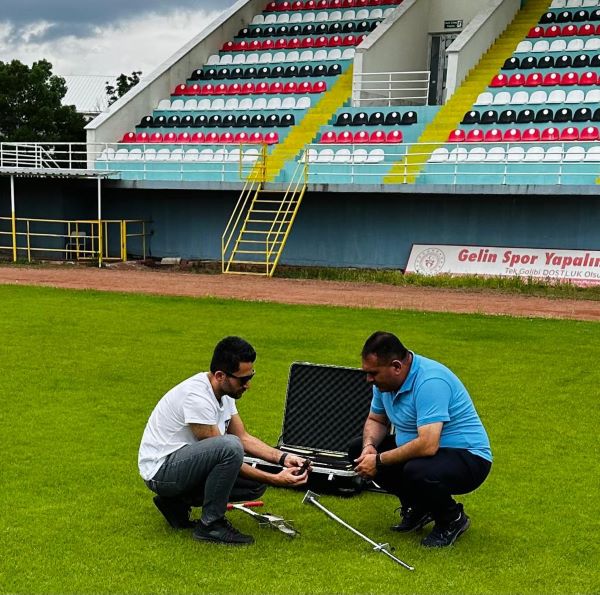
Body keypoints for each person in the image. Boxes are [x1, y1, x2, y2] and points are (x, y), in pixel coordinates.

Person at [138, 336, 308, 545]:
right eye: (243, 379)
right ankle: (211, 525)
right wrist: (276, 479)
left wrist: (283, 458)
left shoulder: (224, 392)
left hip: (182, 466)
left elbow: (243, 437)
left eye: (251, 376)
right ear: (220, 375)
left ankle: (175, 503)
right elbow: (228, 450)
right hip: (161, 472)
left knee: (253, 485)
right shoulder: (197, 397)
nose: (248, 385)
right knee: (230, 447)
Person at [351, 331, 492, 548]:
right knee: (355, 450)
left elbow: (428, 444)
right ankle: (419, 507)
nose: (368, 379)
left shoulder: (430, 381)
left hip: (469, 458)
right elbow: (376, 420)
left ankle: (452, 519)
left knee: (417, 470)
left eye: (373, 373)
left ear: (396, 367)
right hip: (427, 453)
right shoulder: (384, 384)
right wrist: (369, 448)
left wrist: (378, 460)